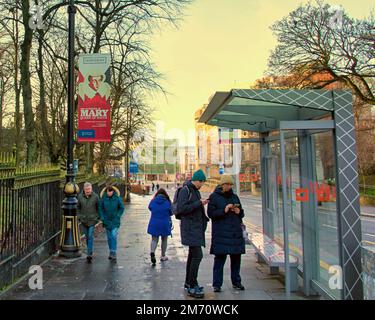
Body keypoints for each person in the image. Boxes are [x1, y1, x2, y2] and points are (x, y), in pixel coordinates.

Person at [207, 175, 245, 292]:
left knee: (236, 260)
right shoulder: (214, 197)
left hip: (235, 233)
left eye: (230, 185)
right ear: (222, 185)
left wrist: (239, 211)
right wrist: (224, 210)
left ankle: (236, 282)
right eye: (227, 184)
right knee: (219, 260)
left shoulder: (235, 197)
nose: (229, 187)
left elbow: (242, 214)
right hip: (221, 234)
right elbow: (211, 213)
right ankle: (217, 284)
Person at [177, 169, 209, 298]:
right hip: (190, 228)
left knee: (192, 256)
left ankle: (189, 282)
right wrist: (198, 203)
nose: (202, 184)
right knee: (197, 256)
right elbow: (182, 208)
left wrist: (201, 203)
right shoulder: (186, 190)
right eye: (201, 182)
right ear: (196, 180)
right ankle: (192, 284)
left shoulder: (194, 191)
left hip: (195, 228)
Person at [99, 185, 125, 262]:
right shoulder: (103, 199)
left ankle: (113, 252)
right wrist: (102, 217)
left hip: (115, 221)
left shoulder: (117, 199)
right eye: (108, 191)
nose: (109, 193)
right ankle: (111, 251)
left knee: (113, 235)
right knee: (109, 237)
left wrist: (118, 215)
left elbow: (122, 208)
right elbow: (101, 208)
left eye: (110, 191)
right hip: (106, 221)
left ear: (113, 191)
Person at [147, 188, 173, 266]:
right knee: (164, 239)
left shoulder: (153, 201)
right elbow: (171, 212)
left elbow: (150, 208)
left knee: (154, 239)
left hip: (154, 223)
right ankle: (163, 255)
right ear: (165, 195)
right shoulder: (168, 202)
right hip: (164, 223)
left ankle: (152, 252)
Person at [77, 182, 100, 263]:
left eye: (89, 189)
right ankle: (90, 250)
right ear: (84, 189)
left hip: (92, 220)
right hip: (83, 220)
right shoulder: (80, 197)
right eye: (86, 189)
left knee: (90, 236)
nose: (88, 191)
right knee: (87, 237)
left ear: (91, 189)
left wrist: (97, 218)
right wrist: (79, 216)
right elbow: (78, 208)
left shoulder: (95, 197)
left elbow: (98, 207)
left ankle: (89, 253)